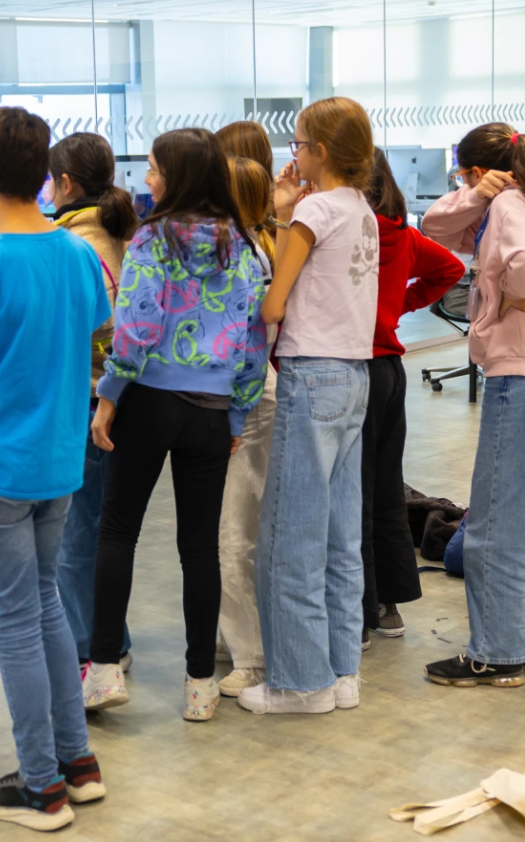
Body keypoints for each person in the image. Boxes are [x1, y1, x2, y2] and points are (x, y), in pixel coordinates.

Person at [0, 107, 110, 831]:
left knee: (13, 621)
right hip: (60, 463)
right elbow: (92, 334)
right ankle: (77, 762)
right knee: (44, 606)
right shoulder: (78, 255)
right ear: (44, 175)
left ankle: (40, 786)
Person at [82, 127, 269, 722]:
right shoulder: (243, 244)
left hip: (149, 401)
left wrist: (110, 393)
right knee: (198, 550)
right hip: (211, 412)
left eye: (156, 169)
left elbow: (136, 324)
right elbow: (254, 336)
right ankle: (198, 686)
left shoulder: (152, 239)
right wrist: (238, 407)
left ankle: (106, 669)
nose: (147, 180)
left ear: (179, 176)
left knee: (117, 532)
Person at [420, 123, 525, 689]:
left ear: (474, 168)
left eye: (461, 174)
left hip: (522, 371)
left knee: (495, 517)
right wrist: (477, 193)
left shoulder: (511, 206)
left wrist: (518, 290)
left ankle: (495, 651)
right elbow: (435, 223)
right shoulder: (507, 203)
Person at [240, 96, 377, 717]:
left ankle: (298, 682)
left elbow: (274, 304)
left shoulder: (315, 210)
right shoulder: (361, 209)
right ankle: (341, 671)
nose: (291, 155)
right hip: (353, 377)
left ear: (319, 152)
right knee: (339, 533)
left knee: (289, 533)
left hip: (309, 375)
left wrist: (279, 213)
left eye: (297, 145)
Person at [359, 149, 465, 641]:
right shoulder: (401, 235)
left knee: (351, 495)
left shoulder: (340, 239)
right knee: (385, 488)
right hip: (390, 371)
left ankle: (357, 608)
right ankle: (387, 604)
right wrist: (397, 305)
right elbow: (448, 271)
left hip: (351, 368)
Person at [49, 132, 139, 672]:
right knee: (100, 529)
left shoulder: (78, 244)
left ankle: (92, 647)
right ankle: (108, 637)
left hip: (90, 398)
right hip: (115, 397)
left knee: (78, 535)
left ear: (65, 183)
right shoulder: (115, 233)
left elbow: (102, 327)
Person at [214, 151, 277, 696]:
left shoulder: (241, 252)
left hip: (248, 401)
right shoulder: (247, 245)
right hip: (244, 399)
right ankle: (233, 637)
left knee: (236, 534)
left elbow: (245, 345)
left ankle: (251, 657)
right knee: (229, 528)